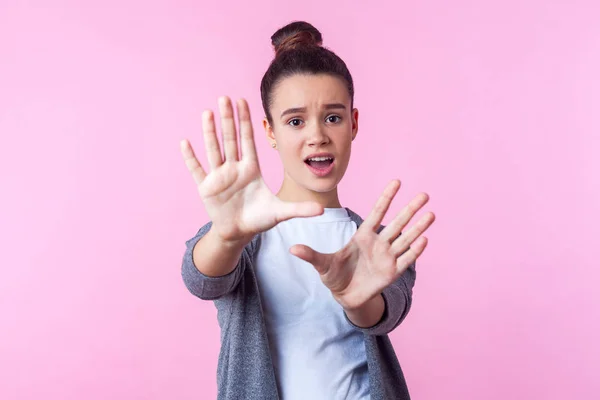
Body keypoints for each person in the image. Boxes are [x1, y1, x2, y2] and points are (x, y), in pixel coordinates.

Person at [179, 20, 435, 400]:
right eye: (295, 121)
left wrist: (356, 299)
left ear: (353, 123)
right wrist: (227, 236)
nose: (317, 135)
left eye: (333, 117)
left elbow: (387, 314)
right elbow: (201, 280)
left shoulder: (376, 243)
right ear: (270, 132)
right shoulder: (246, 232)